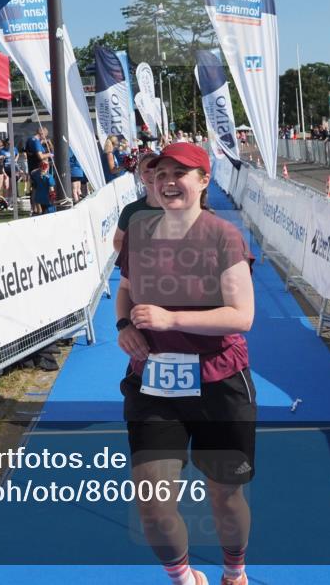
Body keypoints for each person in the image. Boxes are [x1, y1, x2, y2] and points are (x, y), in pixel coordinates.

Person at [116, 141, 256, 585]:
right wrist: (124, 325)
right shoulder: (140, 231)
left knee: (225, 494)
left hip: (219, 381)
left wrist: (171, 317)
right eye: (160, 174)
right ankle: (182, 577)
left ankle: (234, 571)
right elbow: (125, 288)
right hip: (153, 383)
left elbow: (242, 316)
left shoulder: (222, 236)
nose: (169, 181)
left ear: (203, 181)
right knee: (153, 503)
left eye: (180, 173)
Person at [112, 152, 162, 253]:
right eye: (147, 171)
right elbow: (117, 241)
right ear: (141, 178)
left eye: (156, 170)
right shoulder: (130, 210)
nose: (152, 174)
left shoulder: (179, 208)